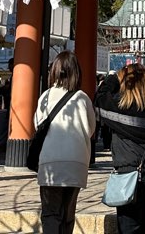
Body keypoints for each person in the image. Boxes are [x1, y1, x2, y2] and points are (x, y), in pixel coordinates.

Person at [96, 64, 145, 234]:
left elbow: (100, 97)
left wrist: (115, 77)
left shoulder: (121, 107)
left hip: (129, 174)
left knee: (129, 227)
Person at [34, 51, 96, 234]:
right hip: (76, 162)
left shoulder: (45, 97)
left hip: (51, 161)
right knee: (68, 213)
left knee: (51, 213)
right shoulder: (82, 98)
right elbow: (91, 129)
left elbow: (37, 125)